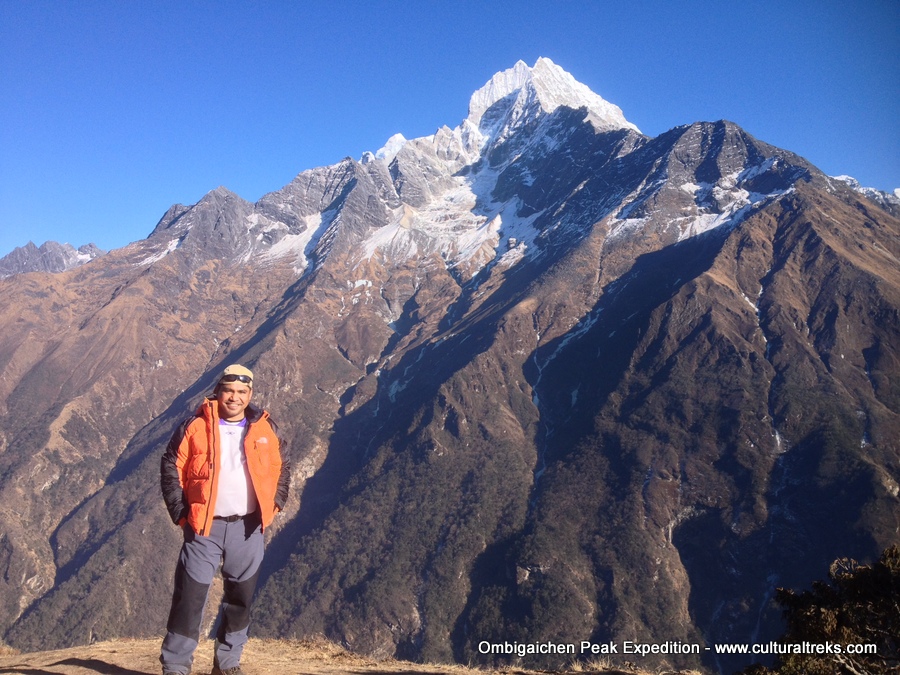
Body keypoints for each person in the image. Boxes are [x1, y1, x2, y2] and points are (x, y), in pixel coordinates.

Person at [159, 364, 290, 675]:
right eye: (229, 391)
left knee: (240, 598)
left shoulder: (265, 429)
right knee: (189, 599)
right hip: (204, 528)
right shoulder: (194, 427)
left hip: (248, 528)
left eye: (242, 392)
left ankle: (228, 663)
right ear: (217, 392)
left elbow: (282, 468)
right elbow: (170, 466)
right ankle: (176, 666)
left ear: (250, 395)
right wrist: (180, 513)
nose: (235, 397)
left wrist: (275, 504)